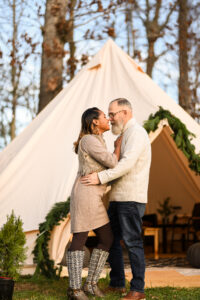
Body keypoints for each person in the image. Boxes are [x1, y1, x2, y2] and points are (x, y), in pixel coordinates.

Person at [81, 98, 151, 300]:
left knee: (132, 242)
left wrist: (99, 178)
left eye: (112, 114)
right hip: (118, 199)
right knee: (109, 239)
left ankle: (138, 290)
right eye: (108, 115)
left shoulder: (137, 133)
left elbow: (126, 165)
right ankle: (118, 282)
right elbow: (116, 163)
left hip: (130, 199)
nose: (110, 119)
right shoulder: (125, 134)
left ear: (125, 112)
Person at [67, 107, 122, 300]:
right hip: (85, 194)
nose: (108, 118)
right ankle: (74, 289)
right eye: (104, 116)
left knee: (106, 238)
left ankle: (90, 284)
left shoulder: (96, 139)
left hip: (94, 196)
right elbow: (112, 162)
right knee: (80, 239)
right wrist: (118, 146)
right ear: (94, 122)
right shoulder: (89, 140)